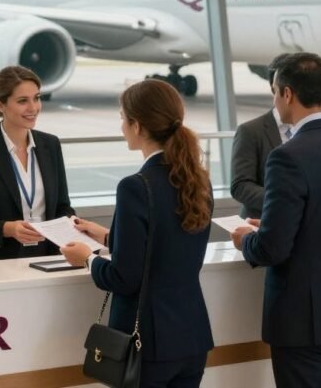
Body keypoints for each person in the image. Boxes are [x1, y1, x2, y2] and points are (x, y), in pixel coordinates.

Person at [231, 52, 321, 388]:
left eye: (275, 92)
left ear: (287, 93)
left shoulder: (287, 156)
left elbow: (272, 249)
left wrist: (246, 239)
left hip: (303, 319)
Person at [62, 79, 214, 387]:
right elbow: (168, 245)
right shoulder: (198, 179)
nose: (121, 126)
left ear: (138, 125)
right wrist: (107, 236)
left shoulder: (135, 186)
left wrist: (87, 258)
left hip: (147, 343)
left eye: (122, 118)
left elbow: (124, 278)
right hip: (192, 335)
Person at [0, 66, 75, 262]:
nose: (33, 108)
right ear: (0, 104)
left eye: (36, 98)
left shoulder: (50, 145)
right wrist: (8, 229)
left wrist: (69, 223)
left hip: (47, 258)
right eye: (22, 101)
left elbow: (63, 206)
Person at [231, 54, 293, 218]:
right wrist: (283, 201)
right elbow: (240, 185)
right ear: (276, 88)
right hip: (261, 224)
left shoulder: (312, 130)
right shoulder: (250, 131)